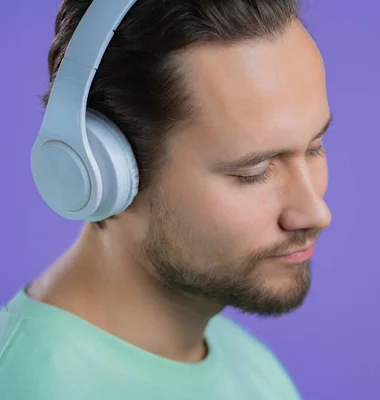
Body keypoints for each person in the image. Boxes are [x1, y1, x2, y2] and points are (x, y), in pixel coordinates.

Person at [0, 0, 332, 398]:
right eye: (254, 172)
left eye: (314, 147)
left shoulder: (251, 368)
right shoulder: (29, 385)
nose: (315, 212)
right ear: (104, 172)